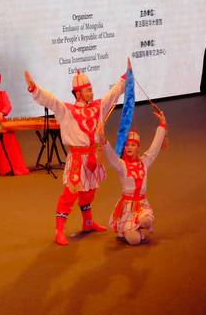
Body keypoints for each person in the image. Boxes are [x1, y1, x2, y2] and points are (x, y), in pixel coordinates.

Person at [24, 61, 128, 246]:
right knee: (70, 195)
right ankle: (59, 230)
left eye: (91, 89)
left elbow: (113, 94)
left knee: (90, 191)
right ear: (78, 93)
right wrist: (34, 88)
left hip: (94, 155)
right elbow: (51, 100)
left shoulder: (98, 106)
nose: (92, 93)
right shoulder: (67, 110)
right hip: (78, 158)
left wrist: (126, 76)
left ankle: (88, 222)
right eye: (89, 90)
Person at [101, 109, 167, 245]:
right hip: (127, 208)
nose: (129, 147)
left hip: (141, 205)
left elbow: (155, 147)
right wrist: (104, 141)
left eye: (133, 145)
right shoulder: (121, 165)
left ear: (138, 147)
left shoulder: (145, 161)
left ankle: (137, 226)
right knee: (135, 241)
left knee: (146, 221)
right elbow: (111, 156)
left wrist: (162, 125)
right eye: (126, 145)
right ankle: (128, 229)